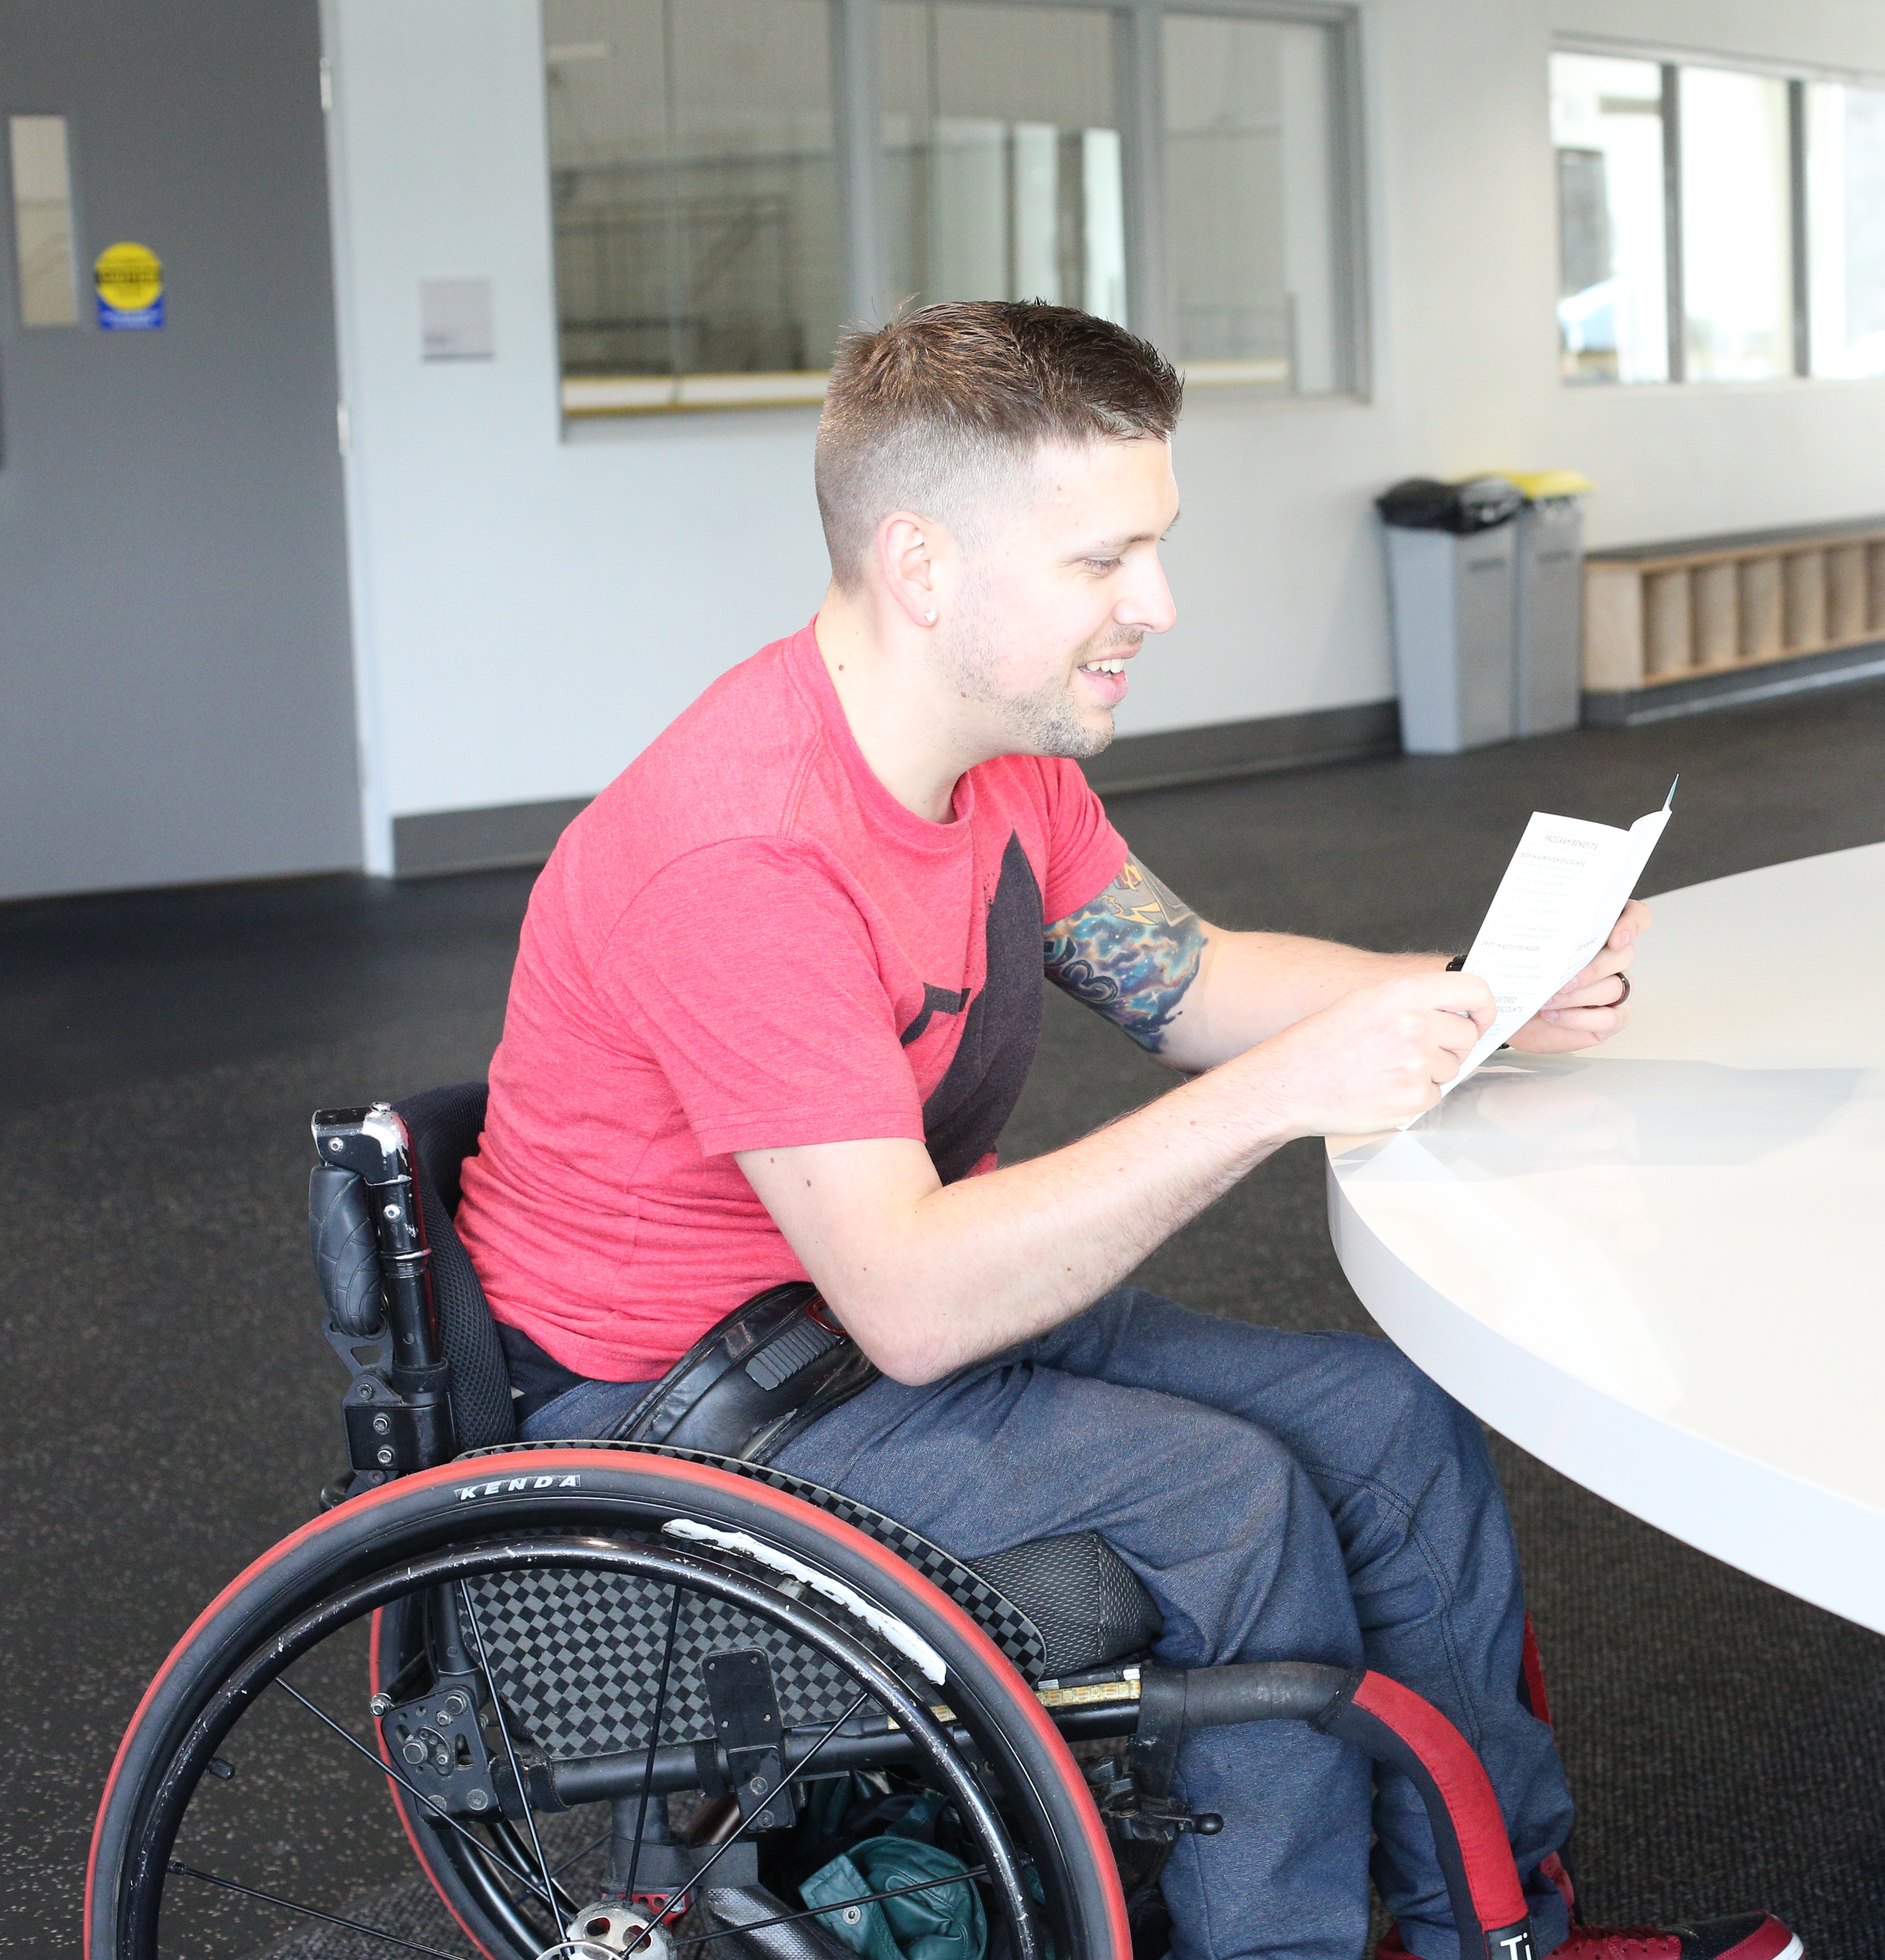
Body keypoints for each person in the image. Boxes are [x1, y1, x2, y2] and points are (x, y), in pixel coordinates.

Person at [454, 301, 1796, 1960]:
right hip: (705, 1394)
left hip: (859, 1328)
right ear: (924, 564)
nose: (1155, 606)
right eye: (1105, 561)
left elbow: (1190, 979)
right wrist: (1293, 1091)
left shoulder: (998, 754)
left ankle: (1497, 1932)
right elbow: (920, 1298)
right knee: (1226, 1501)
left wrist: (1471, 990)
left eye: (1153, 548)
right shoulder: (743, 854)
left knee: (1387, 1423)